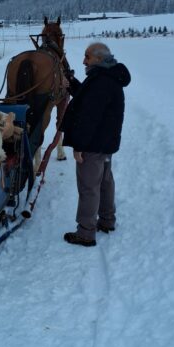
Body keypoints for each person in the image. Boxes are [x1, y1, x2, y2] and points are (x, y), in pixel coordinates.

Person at [60, 42, 131, 247]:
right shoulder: (108, 76)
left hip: (93, 144)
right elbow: (88, 98)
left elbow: (88, 117)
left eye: (87, 57)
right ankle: (107, 221)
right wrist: (72, 83)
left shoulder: (100, 81)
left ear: (99, 59)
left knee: (88, 187)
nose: (83, 60)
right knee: (105, 181)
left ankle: (85, 233)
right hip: (106, 142)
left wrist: (79, 146)